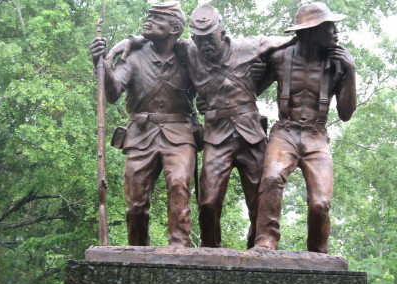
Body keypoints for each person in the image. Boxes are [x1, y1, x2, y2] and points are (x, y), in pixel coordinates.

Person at [176, 5, 293, 249]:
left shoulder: (249, 46)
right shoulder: (189, 50)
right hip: (216, 137)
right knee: (207, 201)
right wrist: (129, 42)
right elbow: (160, 39)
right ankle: (210, 251)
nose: (205, 45)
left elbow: (291, 40)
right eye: (199, 40)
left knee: (258, 203)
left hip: (250, 136)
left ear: (223, 32)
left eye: (210, 38)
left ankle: (256, 251)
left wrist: (267, 72)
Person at [89, 2, 197, 247]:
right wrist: (102, 62)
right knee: (136, 204)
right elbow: (114, 92)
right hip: (140, 135)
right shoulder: (134, 56)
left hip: (179, 134)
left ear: (175, 28)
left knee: (179, 186)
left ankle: (179, 249)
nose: (148, 21)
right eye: (149, 17)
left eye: (158, 18)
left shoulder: (187, 56)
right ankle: (138, 251)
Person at [254, 2, 357, 253]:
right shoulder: (278, 58)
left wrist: (351, 71)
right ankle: (265, 241)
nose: (335, 32)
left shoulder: (338, 63)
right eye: (328, 27)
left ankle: (318, 252)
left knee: (320, 202)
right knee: (271, 177)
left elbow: (345, 114)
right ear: (309, 32)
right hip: (284, 132)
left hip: (316, 135)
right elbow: (250, 91)